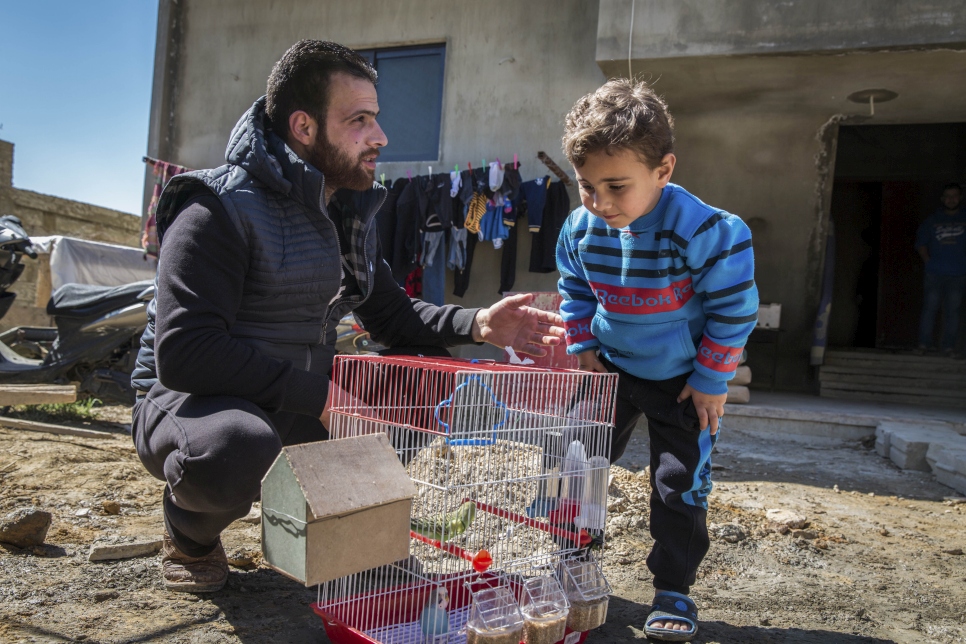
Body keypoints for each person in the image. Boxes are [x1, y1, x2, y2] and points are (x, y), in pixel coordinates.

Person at [130, 40, 564, 594]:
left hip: (294, 400)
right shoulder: (214, 207)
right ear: (304, 128)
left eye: (376, 119)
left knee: (420, 376)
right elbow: (187, 355)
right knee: (235, 447)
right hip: (189, 407)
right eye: (359, 120)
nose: (379, 137)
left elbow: (395, 319)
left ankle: (341, 526)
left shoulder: (343, 213)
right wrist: (327, 398)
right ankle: (189, 534)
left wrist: (478, 325)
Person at [556, 79, 758, 641]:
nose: (600, 202)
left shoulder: (709, 231)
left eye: (616, 186)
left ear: (663, 170)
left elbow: (735, 311)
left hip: (684, 383)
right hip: (610, 373)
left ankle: (673, 588)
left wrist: (712, 379)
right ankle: (572, 561)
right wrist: (583, 344)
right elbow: (574, 287)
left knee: (679, 485)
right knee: (577, 463)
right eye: (587, 186)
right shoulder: (579, 228)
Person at [915, 182, 966, 356]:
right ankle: (924, 344)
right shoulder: (933, 220)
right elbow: (921, 244)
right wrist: (928, 261)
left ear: (960, 197)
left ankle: (948, 347)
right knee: (930, 308)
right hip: (935, 273)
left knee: (953, 311)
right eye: (948, 196)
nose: (951, 200)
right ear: (942, 199)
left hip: (958, 274)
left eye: (955, 196)